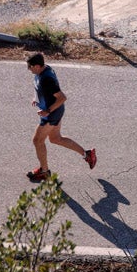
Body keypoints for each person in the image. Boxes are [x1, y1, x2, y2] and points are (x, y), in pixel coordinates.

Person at [26, 52, 96, 182]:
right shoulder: (43, 70)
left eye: (29, 66)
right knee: (55, 138)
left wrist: (48, 111)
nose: (28, 69)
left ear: (36, 66)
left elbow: (62, 98)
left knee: (37, 141)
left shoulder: (47, 79)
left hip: (52, 114)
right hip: (54, 112)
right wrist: (36, 99)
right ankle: (87, 154)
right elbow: (41, 89)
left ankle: (44, 171)